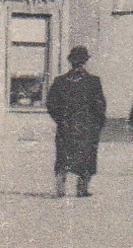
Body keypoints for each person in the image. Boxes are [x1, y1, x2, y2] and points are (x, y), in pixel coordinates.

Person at [45, 46, 106, 198]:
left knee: (63, 157)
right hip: (86, 127)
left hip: (66, 126)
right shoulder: (93, 81)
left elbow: (51, 104)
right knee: (87, 157)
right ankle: (82, 188)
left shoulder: (60, 81)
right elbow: (100, 105)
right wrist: (98, 123)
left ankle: (60, 188)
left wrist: (60, 120)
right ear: (85, 61)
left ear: (70, 62)